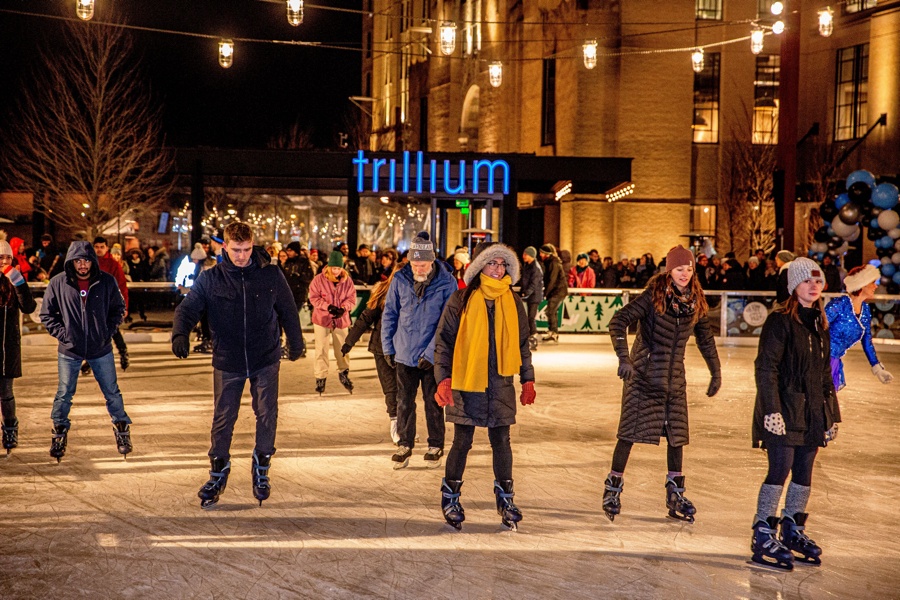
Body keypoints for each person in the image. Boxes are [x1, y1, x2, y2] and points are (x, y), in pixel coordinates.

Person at [171, 222, 304, 509]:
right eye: (235, 250)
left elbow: (288, 310)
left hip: (265, 356)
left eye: (245, 249)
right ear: (224, 248)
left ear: (252, 245)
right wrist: (180, 332)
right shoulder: (211, 279)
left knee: (267, 413)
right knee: (223, 418)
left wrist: (296, 342)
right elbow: (189, 307)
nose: (241, 255)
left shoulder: (270, 274)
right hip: (228, 359)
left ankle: (262, 469)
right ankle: (218, 473)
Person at [603, 245, 721, 523]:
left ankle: (675, 494)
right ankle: (612, 488)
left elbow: (705, 338)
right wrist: (624, 358)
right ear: (669, 270)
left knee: (677, 437)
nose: (685, 274)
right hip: (642, 377)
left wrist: (715, 371)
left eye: (689, 269)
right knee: (629, 434)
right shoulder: (652, 297)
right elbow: (618, 322)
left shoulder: (695, 301)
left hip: (673, 380)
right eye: (680, 269)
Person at [433, 242, 536, 531]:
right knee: (462, 441)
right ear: (480, 267)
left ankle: (506, 499)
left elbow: (522, 343)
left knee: (502, 441)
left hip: (501, 382)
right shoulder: (461, 299)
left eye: (503, 264)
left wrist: (527, 378)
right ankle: (450, 496)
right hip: (467, 381)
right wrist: (443, 378)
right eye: (492, 263)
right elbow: (444, 343)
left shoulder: (513, 301)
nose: (498, 269)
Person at [750, 258, 840, 570]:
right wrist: (771, 409)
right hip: (783, 408)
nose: (813, 286)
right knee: (781, 468)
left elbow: (825, 375)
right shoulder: (779, 322)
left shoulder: (820, 323)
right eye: (806, 281)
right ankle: (763, 532)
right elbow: (766, 368)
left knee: (804, 470)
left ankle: (791, 529)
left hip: (813, 410)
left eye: (817, 281)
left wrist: (832, 415)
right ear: (793, 287)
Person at [39, 241, 132, 462]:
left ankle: (122, 431)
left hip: (100, 349)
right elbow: (46, 315)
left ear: (93, 261)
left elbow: (118, 309)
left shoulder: (106, 281)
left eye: (86, 260)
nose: (82, 265)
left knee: (112, 392)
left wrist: (105, 332)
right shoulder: (58, 283)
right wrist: (64, 335)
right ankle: (59, 433)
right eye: (78, 261)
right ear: (71, 261)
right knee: (64, 393)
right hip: (69, 350)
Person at [381, 231, 456, 469]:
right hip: (404, 352)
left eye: (422, 264)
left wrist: (432, 351)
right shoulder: (400, 279)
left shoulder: (447, 282)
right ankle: (405, 443)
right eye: (414, 263)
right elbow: (390, 313)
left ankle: (435, 444)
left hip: (432, 355)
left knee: (432, 401)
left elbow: (448, 322)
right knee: (404, 401)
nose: (418, 268)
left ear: (431, 261)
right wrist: (387, 346)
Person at [341, 266, 401, 444]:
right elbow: (365, 318)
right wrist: (349, 342)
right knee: (391, 388)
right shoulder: (383, 292)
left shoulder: (414, 295)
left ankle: (405, 425)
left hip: (405, 349)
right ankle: (396, 424)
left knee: (405, 389)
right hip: (381, 348)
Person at [825, 264, 893, 392]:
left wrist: (877, 368)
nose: (876, 286)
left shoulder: (865, 310)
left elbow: (867, 341)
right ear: (863, 284)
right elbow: (817, 327)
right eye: (872, 282)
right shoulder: (839, 304)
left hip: (834, 361)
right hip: (821, 359)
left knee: (827, 404)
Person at [0, 232, 37, 455]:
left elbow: (29, 308)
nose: (4, 262)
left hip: (8, 346)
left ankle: (10, 429)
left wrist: (19, 284)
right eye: (0, 258)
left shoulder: (16, 280)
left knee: (5, 391)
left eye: (7, 258)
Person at [308, 250, 356, 395]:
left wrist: (343, 309)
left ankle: (344, 372)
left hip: (341, 320)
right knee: (321, 349)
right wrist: (327, 306)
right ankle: (320, 377)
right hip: (322, 319)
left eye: (339, 268)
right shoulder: (318, 280)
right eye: (334, 268)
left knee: (342, 348)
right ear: (329, 267)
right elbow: (313, 297)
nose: (336, 271)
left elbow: (351, 299)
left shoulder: (347, 280)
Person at [92, 237, 131, 372]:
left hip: (109, 302)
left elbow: (122, 285)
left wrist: (124, 305)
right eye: (97, 247)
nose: (99, 249)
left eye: (102, 247)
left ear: (106, 248)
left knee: (112, 329)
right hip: (93, 303)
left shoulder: (113, 264)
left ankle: (122, 352)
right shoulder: (90, 263)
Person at [538, 244, 567, 343]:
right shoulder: (549, 262)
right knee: (551, 311)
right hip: (556, 290)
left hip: (558, 291)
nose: (540, 254)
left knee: (550, 311)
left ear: (547, 254)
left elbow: (552, 280)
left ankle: (554, 333)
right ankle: (553, 332)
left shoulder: (553, 263)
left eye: (542, 253)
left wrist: (546, 292)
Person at [519, 246, 544, 351]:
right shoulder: (527, 266)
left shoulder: (535, 268)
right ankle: (531, 336)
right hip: (529, 296)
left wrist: (526, 293)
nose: (523, 256)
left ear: (531, 256)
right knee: (528, 317)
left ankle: (533, 336)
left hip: (534, 296)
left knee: (531, 317)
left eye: (526, 254)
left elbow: (533, 283)